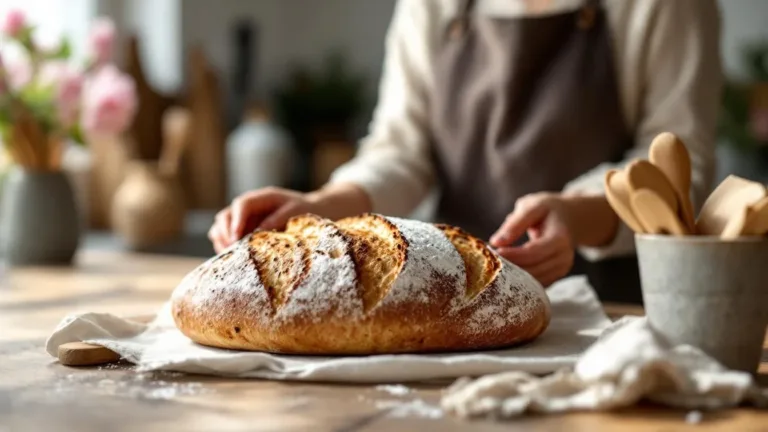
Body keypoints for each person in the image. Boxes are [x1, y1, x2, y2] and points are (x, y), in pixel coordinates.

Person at [208, 0, 722, 301]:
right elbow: (402, 151)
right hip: (459, 306)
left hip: (612, 309)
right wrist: (319, 206)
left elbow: (681, 170)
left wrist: (576, 214)